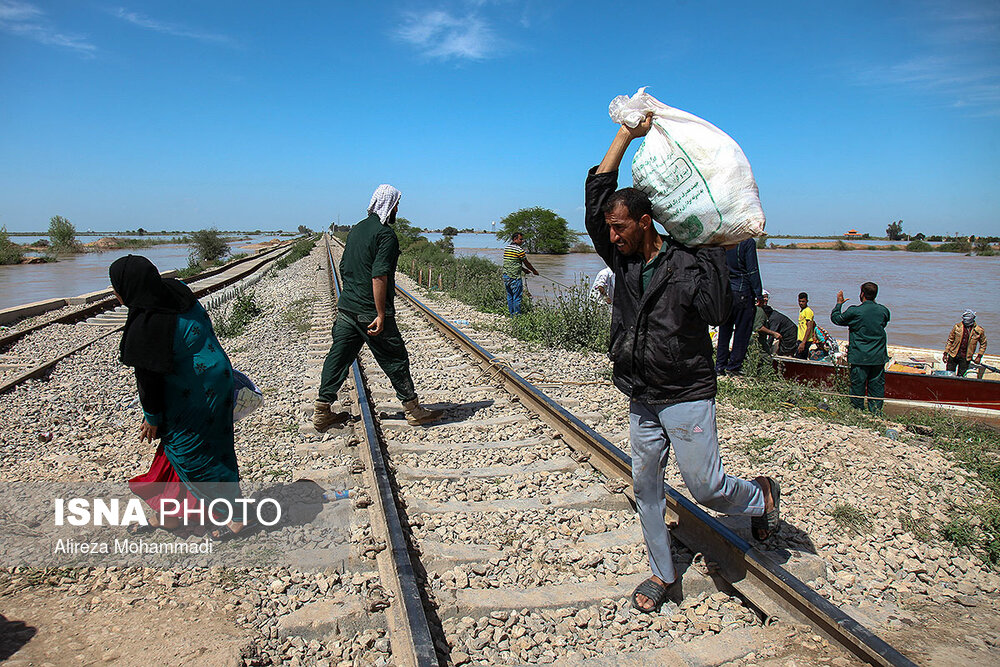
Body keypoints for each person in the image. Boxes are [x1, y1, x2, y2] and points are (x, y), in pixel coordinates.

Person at [586, 113, 780, 614]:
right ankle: (661, 573)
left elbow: (718, 311)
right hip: (641, 393)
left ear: (645, 222)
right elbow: (597, 196)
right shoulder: (623, 261)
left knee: (707, 487)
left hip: (687, 392)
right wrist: (625, 137)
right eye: (609, 228)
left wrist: (712, 247)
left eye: (619, 226)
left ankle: (759, 496)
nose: (612, 235)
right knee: (646, 487)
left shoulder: (689, 262)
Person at [111, 255, 249, 539]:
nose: (115, 293)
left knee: (194, 453)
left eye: (116, 287)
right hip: (216, 380)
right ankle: (168, 515)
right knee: (183, 450)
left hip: (196, 393)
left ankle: (235, 518)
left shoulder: (149, 323)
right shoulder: (175, 292)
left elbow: (148, 380)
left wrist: (152, 418)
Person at [314, 184, 443, 429]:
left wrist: (350, 297)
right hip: (369, 311)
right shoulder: (385, 235)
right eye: (396, 204)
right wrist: (381, 313)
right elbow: (379, 276)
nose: (397, 209)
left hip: (347, 309)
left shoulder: (357, 230)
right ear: (389, 205)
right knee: (395, 357)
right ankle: (414, 410)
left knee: (338, 357)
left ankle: (322, 411)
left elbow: (344, 268)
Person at [830, 282, 891, 413]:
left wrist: (839, 304)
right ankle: (875, 414)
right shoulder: (883, 311)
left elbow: (836, 319)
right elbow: (883, 323)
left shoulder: (855, 311)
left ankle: (858, 414)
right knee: (876, 388)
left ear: (862, 294)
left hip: (860, 357)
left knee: (858, 388)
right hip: (878, 357)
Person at [715, 237, 762, 375]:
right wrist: (758, 293)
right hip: (743, 292)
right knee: (742, 332)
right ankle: (733, 367)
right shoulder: (747, 242)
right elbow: (752, 269)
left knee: (724, 330)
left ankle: (719, 366)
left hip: (726, 292)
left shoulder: (725, 240)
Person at [501, 232, 538, 315]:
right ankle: (517, 316)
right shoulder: (519, 250)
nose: (522, 241)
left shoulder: (507, 248)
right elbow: (527, 263)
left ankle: (512, 315)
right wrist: (534, 271)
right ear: (515, 239)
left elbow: (512, 262)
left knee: (510, 296)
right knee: (517, 297)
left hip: (506, 276)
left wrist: (524, 270)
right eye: (520, 239)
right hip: (515, 277)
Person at [943, 310, 987, 377]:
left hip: (966, 357)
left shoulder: (979, 330)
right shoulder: (957, 327)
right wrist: (945, 353)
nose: (966, 321)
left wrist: (979, 356)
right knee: (949, 374)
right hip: (953, 355)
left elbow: (983, 344)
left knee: (961, 376)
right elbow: (950, 341)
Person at [754, 290, 797, 357]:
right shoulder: (763, 312)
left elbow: (772, 334)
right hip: (785, 331)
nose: (766, 299)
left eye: (766, 297)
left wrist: (767, 349)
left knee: (786, 350)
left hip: (789, 333)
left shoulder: (774, 318)